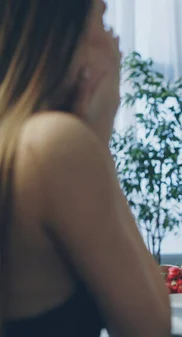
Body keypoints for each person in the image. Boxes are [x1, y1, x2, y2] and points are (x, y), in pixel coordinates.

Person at [0, 1, 170, 336]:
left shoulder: (15, 140)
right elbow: (151, 327)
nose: (116, 42)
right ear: (65, 34)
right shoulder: (54, 143)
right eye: (103, 21)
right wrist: (99, 132)